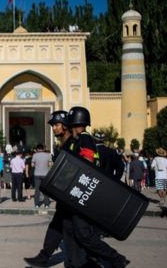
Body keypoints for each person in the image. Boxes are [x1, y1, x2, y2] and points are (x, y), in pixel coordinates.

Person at [65, 106, 129, 268]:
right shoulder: (79, 140)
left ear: (74, 124)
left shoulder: (85, 139)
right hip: (80, 192)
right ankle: (85, 261)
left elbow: (87, 162)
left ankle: (115, 258)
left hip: (84, 192)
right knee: (77, 231)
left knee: (84, 234)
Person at [25, 110, 85, 268]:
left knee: (71, 230)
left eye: (56, 125)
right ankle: (44, 257)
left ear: (65, 126)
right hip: (64, 194)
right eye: (53, 125)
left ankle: (81, 262)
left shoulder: (75, 142)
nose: (54, 128)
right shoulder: (62, 146)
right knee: (58, 226)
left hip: (73, 194)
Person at [32, 144, 52, 208]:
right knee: (45, 189)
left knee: (37, 189)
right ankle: (46, 204)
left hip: (37, 174)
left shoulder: (35, 155)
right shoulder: (48, 155)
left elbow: (32, 165)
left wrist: (37, 166)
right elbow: (50, 164)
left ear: (37, 149)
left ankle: (37, 204)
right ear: (43, 148)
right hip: (45, 174)